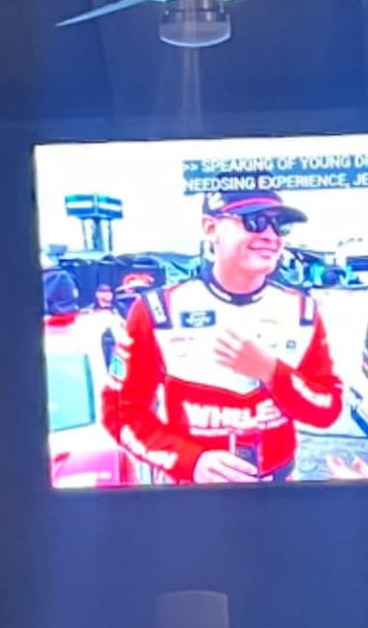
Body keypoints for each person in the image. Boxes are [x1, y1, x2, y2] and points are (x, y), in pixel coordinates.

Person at [105, 185, 348, 483]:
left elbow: (328, 410)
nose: (271, 236)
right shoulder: (158, 311)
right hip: (191, 499)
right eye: (254, 220)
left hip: (279, 495)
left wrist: (271, 372)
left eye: (281, 224)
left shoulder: (301, 310)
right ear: (210, 227)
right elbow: (120, 413)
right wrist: (190, 460)